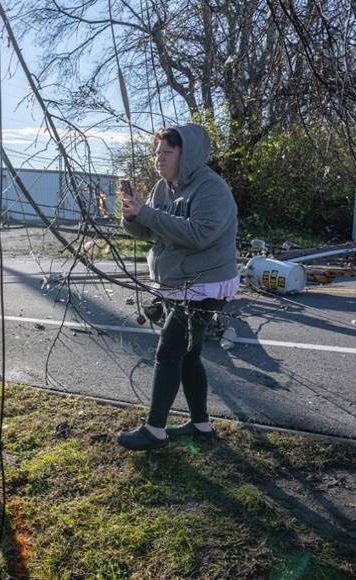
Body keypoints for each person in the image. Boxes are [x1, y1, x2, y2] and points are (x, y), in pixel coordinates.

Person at [118, 123, 239, 451]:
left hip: (206, 286)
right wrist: (133, 216)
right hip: (179, 284)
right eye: (157, 153)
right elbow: (154, 232)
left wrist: (148, 214)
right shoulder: (162, 188)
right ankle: (201, 426)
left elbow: (199, 234)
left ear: (187, 155)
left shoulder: (211, 189)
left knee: (169, 350)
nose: (159, 159)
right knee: (189, 355)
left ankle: (155, 430)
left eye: (167, 153)